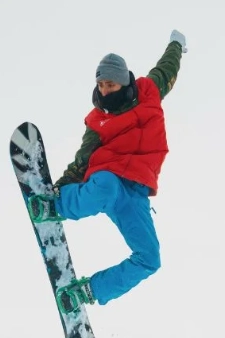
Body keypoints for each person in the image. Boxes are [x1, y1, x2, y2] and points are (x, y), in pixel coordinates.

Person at [29, 30, 187, 314]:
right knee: (106, 186)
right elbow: (82, 161)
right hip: (107, 179)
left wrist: (176, 44)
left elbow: (167, 67)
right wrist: (58, 188)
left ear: (124, 82)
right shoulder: (97, 121)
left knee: (150, 258)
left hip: (135, 195)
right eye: (100, 85)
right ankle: (57, 206)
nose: (104, 91)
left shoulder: (149, 91)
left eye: (110, 85)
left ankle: (89, 291)